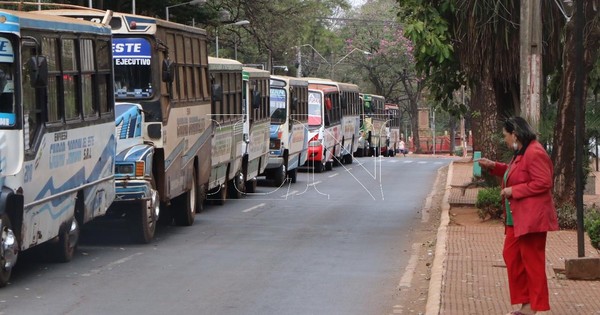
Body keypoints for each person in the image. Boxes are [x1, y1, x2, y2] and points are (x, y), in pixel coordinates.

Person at [477, 116, 558, 315]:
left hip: (531, 218)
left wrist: (514, 191)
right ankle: (525, 302)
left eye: (505, 135)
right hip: (517, 218)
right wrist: (492, 166)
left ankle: (532, 307)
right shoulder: (521, 152)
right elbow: (514, 173)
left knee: (532, 262)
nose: (504, 139)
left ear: (515, 134)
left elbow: (544, 182)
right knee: (512, 256)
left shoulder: (534, 152)